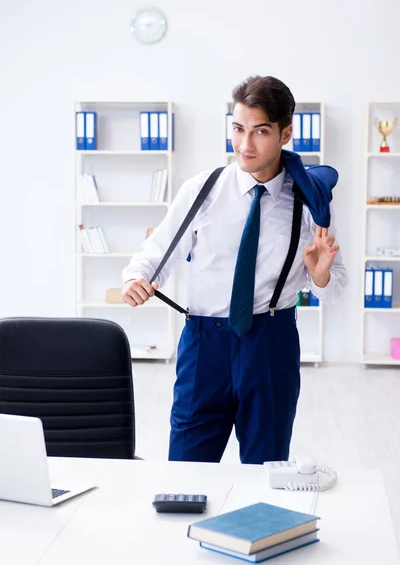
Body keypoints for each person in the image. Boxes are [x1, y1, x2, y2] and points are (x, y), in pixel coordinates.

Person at [122, 75, 348, 465]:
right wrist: (136, 278)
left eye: (260, 132)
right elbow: (155, 254)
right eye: (238, 129)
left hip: (270, 344)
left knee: (265, 471)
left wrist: (320, 274)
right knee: (186, 471)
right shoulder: (202, 190)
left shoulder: (308, 203)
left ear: (285, 134)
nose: (245, 145)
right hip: (203, 344)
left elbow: (335, 288)